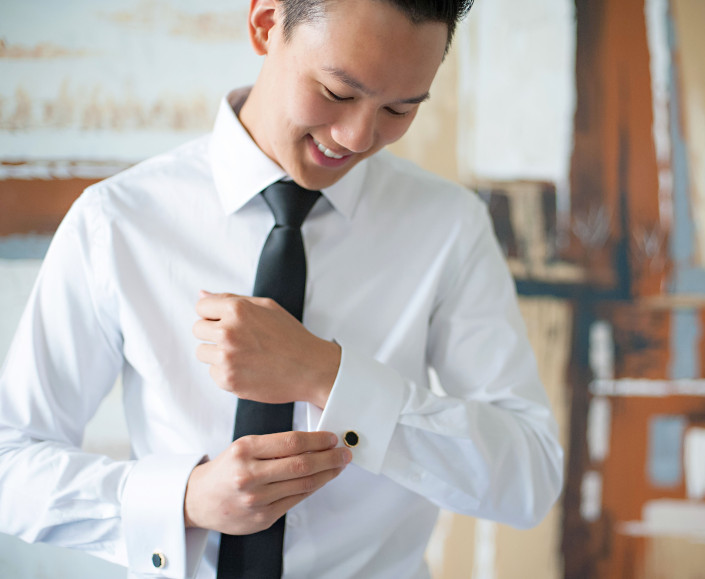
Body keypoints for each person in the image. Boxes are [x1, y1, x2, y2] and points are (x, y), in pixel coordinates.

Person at [0, 0, 564, 577]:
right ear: (266, 25)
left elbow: (529, 481)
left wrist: (327, 374)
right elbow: (9, 463)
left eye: (398, 108)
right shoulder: (117, 221)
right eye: (338, 93)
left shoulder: (449, 227)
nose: (357, 137)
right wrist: (185, 500)